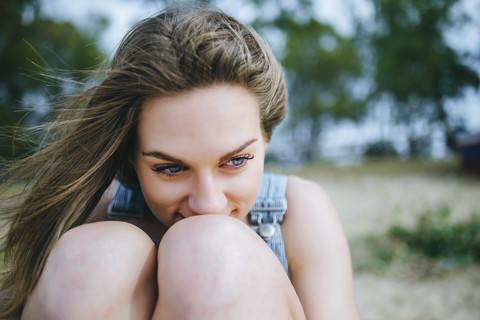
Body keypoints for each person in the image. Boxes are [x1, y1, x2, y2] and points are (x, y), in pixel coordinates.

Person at [0, 5, 360, 320]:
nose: (209, 204)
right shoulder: (96, 210)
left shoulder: (296, 213)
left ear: (265, 138)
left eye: (236, 161)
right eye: (171, 168)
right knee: (93, 260)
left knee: (210, 249)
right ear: (130, 155)